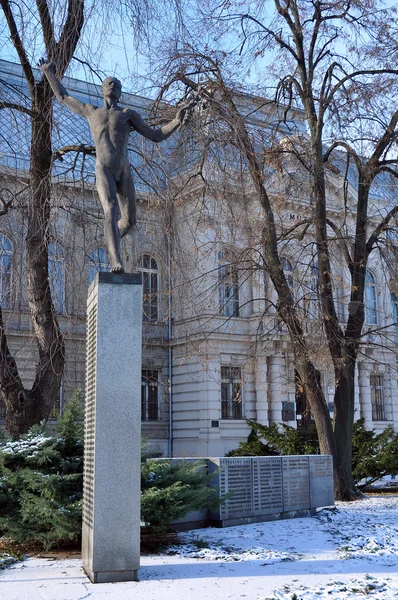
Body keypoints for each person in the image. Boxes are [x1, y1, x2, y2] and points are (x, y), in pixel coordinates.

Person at [38, 58, 194, 272]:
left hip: (124, 170)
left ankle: (111, 236)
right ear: (103, 90)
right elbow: (64, 97)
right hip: (104, 169)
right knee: (110, 209)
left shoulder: (127, 114)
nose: (113, 85)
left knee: (129, 221)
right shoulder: (91, 111)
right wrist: (49, 73)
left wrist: (176, 121)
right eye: (109, 83)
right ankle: (115, 259)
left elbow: (156, 135)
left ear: (120, 93)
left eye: (117, 84)